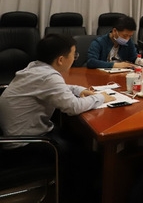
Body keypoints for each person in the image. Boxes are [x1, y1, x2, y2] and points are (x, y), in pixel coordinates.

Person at [0, 34, 115, 201]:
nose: (75, 59)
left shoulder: (35, 67)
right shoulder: (48, 77)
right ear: (61, 59)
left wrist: (79, 90)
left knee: (78, 140)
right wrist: (101, 97)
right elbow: (73, 107)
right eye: (74, 55)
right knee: (88, 160)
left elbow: (58, 88)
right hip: (24, 145)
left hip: (19, 134)